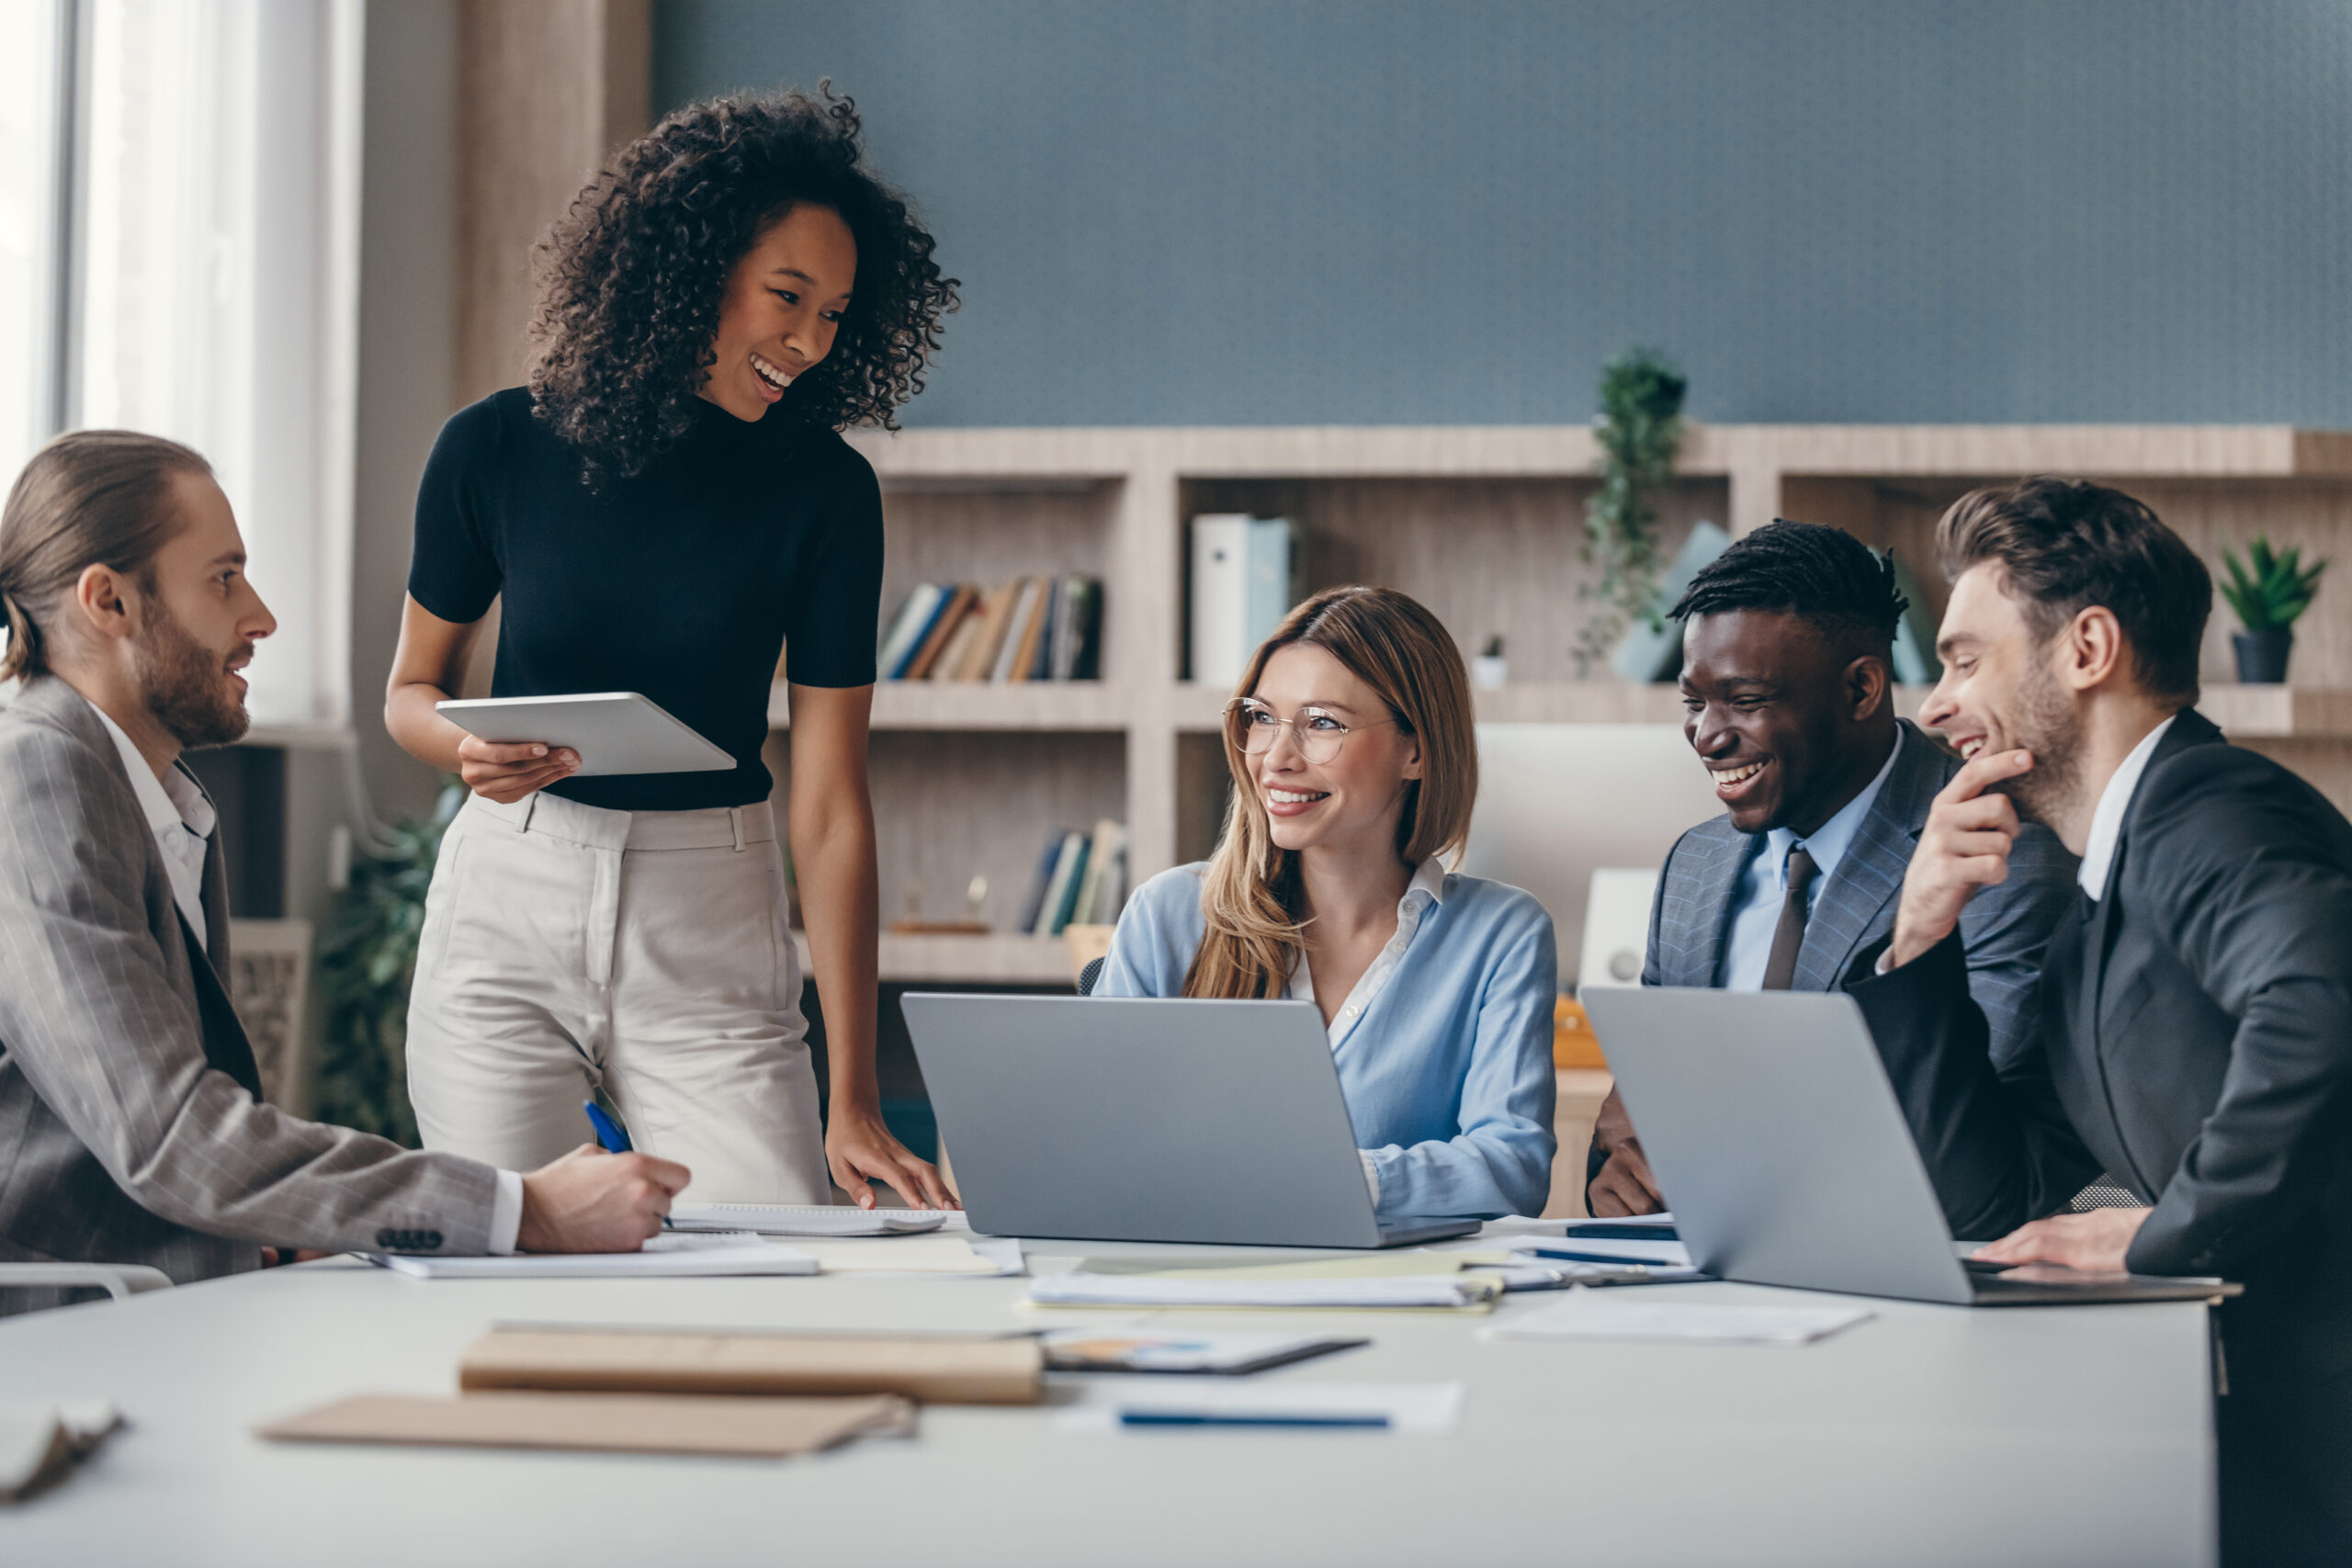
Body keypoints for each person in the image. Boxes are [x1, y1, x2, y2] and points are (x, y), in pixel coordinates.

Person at [384, 90, 958, 1210]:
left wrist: (854, 1096)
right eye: (786, 297)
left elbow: (833, 804)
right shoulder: (493, 446)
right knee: (511, 1257)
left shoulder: (826, 493)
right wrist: (459, 754)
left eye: (836, 314)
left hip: (710, 912)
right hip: (509, 894)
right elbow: (413, 692)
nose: (808, 343)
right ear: (687, 268)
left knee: (775, 1252)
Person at [0, 432, 685, 1314]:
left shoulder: (148, 793)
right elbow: (169, 1135)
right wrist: (526, 1208)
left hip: (158, 1292)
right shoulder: (37, 780)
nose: (262, 617)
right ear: (110, 601)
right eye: (223, 578)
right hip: (57, 1332)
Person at [1844, 477, 2352, 1563]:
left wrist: (2169, 1231)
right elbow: (1997, 1192)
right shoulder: (2096, 903)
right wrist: (1919, 941)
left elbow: (2321, 1006)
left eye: (1965, 658)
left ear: (2086, 649)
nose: (1933, 704)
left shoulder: (2211, 807)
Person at [1586, 520, 2077, 1220]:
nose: (1707, 734)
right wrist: (1616, 1179)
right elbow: (1634, 1121)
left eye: (1745, 699)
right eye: (1694, 702)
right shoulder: (1694, 865)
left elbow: (1982, 1158)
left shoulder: (1995, 851)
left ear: (1861, 689)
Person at [1096, 586, 1556, 1220]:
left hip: (1401, 1303)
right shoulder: (1169, 915)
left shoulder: (1501, 933)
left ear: (1415, 750)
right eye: (1261, 717)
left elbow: (1511, 1170)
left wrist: (1314, 1177)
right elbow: (1098, 1148)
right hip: (1198, 1291)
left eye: (1322, 724)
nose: (1277, 758)